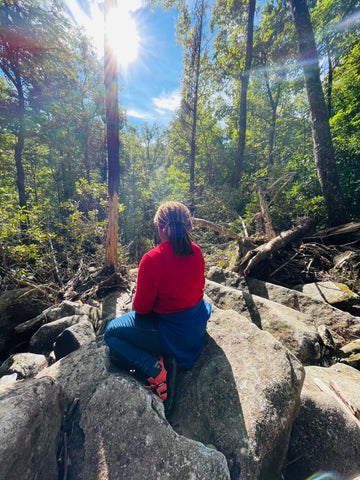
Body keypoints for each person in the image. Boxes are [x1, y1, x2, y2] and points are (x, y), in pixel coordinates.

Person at [104, 201, 211, 411]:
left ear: (161, 228)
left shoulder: (152, 259)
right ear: (188, 227)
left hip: (172, 334)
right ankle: (163, 361)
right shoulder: (197, 252)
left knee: (110, 333)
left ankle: (153, 368)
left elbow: (141, 309)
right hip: (195, 328)